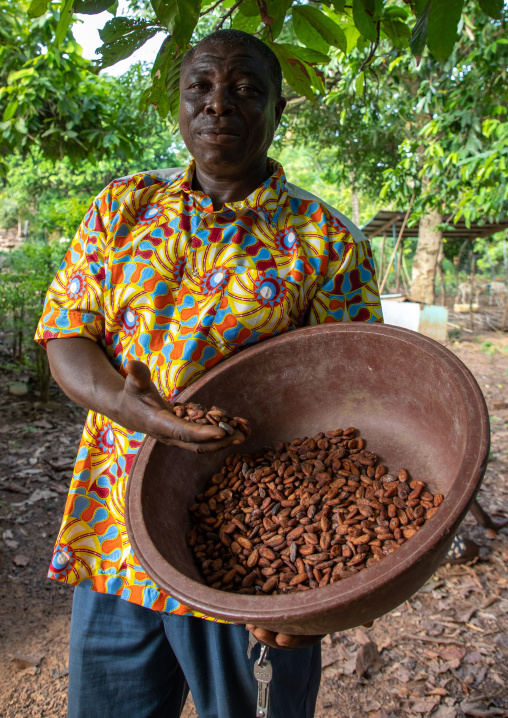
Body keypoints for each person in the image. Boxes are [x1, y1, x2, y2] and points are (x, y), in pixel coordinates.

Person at [35, 29, 382, 718]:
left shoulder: (327, 242)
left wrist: (317, 584)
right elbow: (67, 335)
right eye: (202, 86)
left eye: (247, 90)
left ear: (280, 110)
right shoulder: (122, 208)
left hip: (257, 551)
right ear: (180, 104)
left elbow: (355, 407)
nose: (220, 104)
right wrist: (130, 408)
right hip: (118, 538)